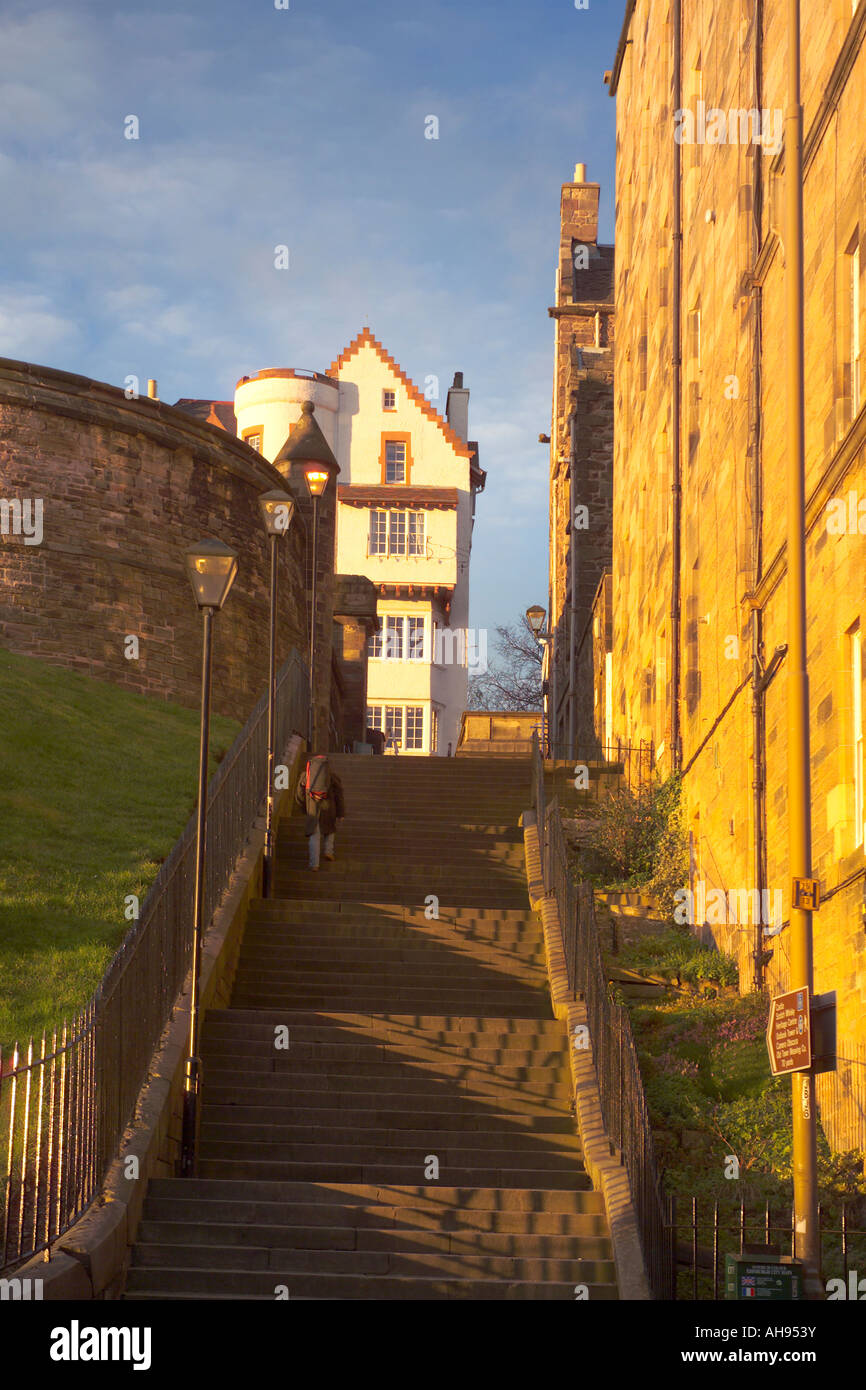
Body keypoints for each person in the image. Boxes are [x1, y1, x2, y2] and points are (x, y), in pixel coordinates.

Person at [295, 753, 346, 869]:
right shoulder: (332, 777)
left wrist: (304, 807)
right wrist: (340, 813)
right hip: (329, 807)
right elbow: (339, 795)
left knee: (314, 835)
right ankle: (329, 851)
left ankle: (314, 864)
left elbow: (299, 794)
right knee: (330, 830)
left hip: (313, 809)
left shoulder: (306, 776)